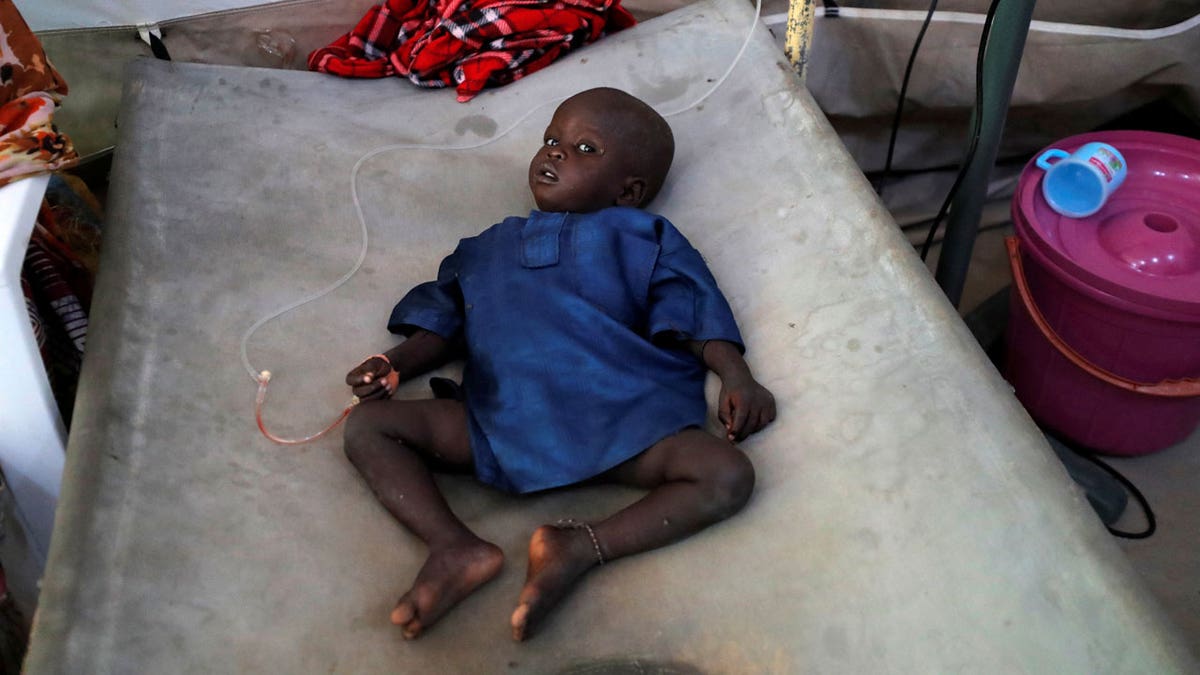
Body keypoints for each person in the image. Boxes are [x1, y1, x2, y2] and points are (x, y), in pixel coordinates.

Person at [343, 87, 776, 642]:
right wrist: (393, 363)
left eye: (584, 148)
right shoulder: (484, 247)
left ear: (629, 192)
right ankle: (453, 546)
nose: (554, 153)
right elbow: (444, 320)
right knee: (369, 426)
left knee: (728, 473)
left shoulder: (643, 236)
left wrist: (736, 374)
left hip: (625, 419)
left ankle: (583, 546)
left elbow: (689, 306)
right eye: (551, 140)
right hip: (502, 421)